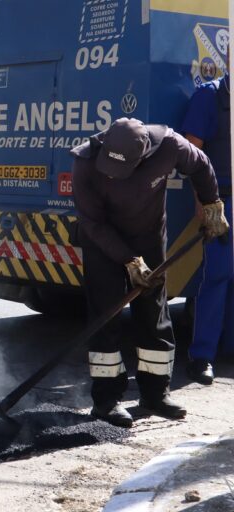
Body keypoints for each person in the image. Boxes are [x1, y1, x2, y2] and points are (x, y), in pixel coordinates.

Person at [72, 117, 228, 428]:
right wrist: (129, 260)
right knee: (107, 315)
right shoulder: (86, 162)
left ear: (144, 154)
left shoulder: (169, 145)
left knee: (154, 314)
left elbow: (201, 165)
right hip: (103, 243)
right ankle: (106, 401)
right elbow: (93, 223)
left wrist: (212, 204)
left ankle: (155, 395)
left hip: (149, 237)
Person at [181, 71, 234, 385]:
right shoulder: (210, 96)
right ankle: (202, 356)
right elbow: (192, 153)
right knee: (217, 275)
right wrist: (203, 201)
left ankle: (229, 347)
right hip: (222, 201)